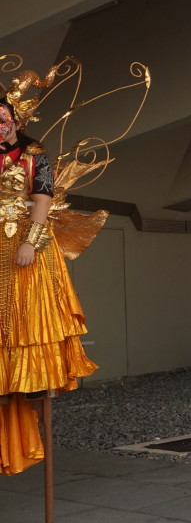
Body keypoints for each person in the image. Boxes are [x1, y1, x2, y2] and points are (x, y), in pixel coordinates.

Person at [0, 82, 97, 475]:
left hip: (24, 240)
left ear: (14, 120)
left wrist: (32, 240)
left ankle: (31, 378)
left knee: (29, 314)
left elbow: (43, 199)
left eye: (3, 119)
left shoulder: (34, 154)